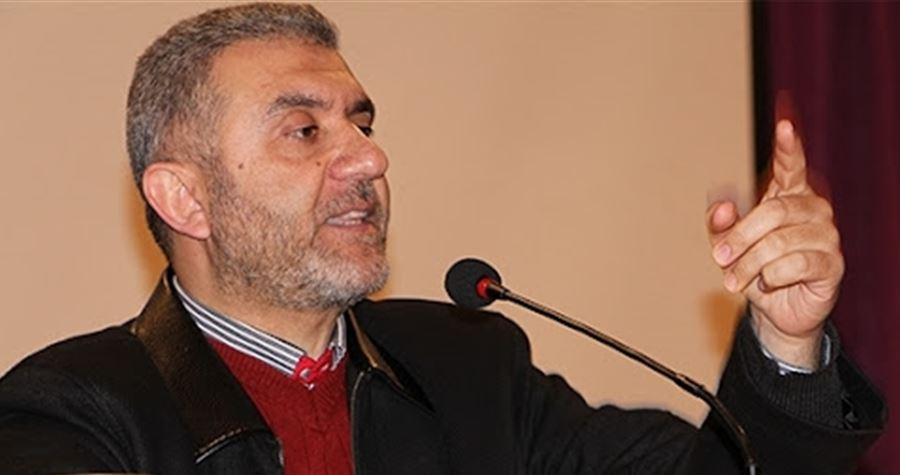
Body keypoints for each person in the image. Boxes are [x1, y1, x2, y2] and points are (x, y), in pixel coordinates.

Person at [0, 3, 885, 475]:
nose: (369, 157)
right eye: (304, 131)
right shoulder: (69, 410)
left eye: (362, 122)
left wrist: (786, 342)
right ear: (184, 197)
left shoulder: (469, 367)